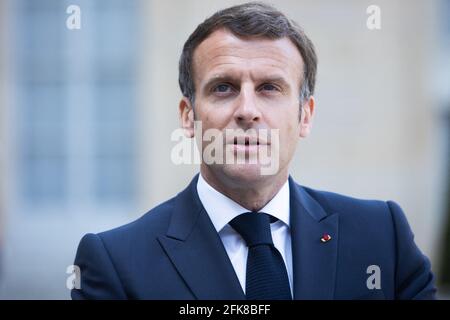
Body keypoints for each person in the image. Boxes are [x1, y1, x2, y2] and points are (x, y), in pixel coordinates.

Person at [71, 2, 436, 300]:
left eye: (269, 88)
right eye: (224, 88)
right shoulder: (116, 265)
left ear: (304, 116)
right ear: (188, 117)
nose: (247, 110)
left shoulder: (382, 240)